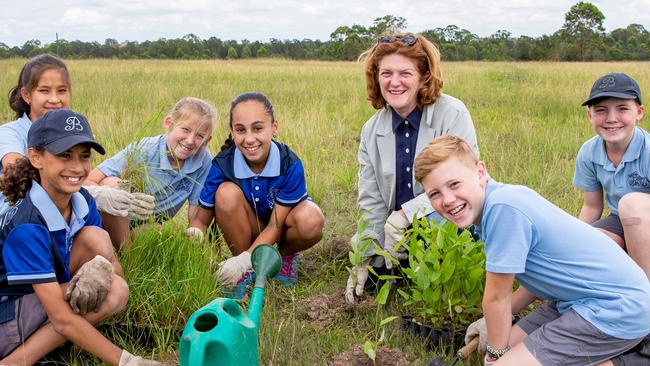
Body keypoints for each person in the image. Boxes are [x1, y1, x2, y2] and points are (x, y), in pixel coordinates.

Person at [414, 135, 650, 366]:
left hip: (616, 309)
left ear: (480, 172)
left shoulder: (502, 209)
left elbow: (498, 297)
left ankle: (633, 357)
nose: (447, 199)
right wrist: (491, 324)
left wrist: (496, 355)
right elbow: (538, 276)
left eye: (454, 184)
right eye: (435, 194)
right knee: (505, 346)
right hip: (574, 298)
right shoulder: (500, 200)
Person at [0, 109, 160, 365]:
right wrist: (128, 361)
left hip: (43, 296)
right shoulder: (27, 225)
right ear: (36, 157)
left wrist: (101, 268)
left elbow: (116, 273)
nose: (76, 167)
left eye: (84, 156)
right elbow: (61, 318)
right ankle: (17, 360)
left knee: (112, 280)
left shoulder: (83, 200)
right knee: (68, 318)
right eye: (64, 156)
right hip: (8, 313)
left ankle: (47, 344)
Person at [345, 33, 479, 303]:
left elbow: (463, 184)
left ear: (423, 76)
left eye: (405, 73)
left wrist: (405, 215)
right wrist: (366, 254)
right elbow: (371, 201)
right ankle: (394, 268)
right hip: (396, 234)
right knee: (364, 253)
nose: (394, 82)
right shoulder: (371, 130)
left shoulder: (453, 114)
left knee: (440, 248)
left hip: (448, 221)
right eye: (386, 73)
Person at [188, 92, 324, 297]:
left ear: (274, 128)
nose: (249, 138)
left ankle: (282, 258)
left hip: (280, 226)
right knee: (225, 193)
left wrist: (244, 261)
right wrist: (194, 233)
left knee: (311, 219)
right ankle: (247, 270)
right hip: (248, 227)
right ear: (232, 133)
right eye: (240, 130)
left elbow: (274, 226)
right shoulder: (222, 164)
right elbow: (201, 218)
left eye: (258, 128)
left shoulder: (289, 163)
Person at [1, 54, 150, 233]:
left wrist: (108, 191)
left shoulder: (70, 127)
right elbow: (15, 171)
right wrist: (93, 193)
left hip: (62, 201)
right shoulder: (10, 132)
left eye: (62, 91)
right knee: (97, 195)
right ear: (26, 95)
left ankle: (125, 253)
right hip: (20, 211)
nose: (55, 99)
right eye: (44, 91)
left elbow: (78, 170)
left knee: (111, 184)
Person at [85, 97, 217, 249]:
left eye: (200, 136)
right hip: (114, 217)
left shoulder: (203, 160)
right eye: (185, 130)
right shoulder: (146, 148)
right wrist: (110, 196)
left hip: (150, 222)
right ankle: (126, 253)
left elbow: (195, 211)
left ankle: (128, 249)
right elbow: (89, 180)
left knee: (158, 236)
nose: (190, 140)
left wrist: (195, 231)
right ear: (169, 123)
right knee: (112, 184)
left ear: (207, 140)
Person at [573, 72, 650, 280]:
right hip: (620, 220)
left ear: (639, 112)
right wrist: (574, 238)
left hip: (645, 219)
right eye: (601, 110)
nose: (611, 119)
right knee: (586, 246)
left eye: (622, 108)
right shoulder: (589, 152)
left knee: (631, 203)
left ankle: (644, 293)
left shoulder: (648, 150)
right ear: (590, 115)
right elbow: (592, 206)